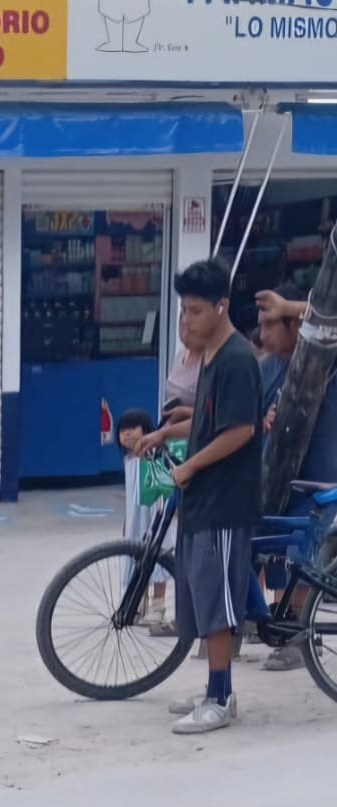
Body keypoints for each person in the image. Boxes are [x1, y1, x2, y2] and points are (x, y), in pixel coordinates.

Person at [139, 258, 262, 735]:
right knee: (201, 597)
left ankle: (220, 697)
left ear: (221, 306)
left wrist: (190, 464)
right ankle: (215, 684)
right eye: (182, 311)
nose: (185, 321)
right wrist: (168, 432)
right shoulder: (211, 355)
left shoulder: (235, 358)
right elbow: (209, 421)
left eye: (193, 311)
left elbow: (241, 431)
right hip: (201, 500)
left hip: (225, 501)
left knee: (218, 604)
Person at [254, 284, 337, 671]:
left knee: (302, 555)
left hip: (319, 477)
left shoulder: (324, 360)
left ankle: (297, 638)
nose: (263, 334)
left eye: (272, 324)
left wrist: (291, 305)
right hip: (275, 477)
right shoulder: (266, 368)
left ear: (296, 325)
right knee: (266, 551)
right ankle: (271, 621)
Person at [116, 409, 172, 627]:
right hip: (134, 522)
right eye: (122, 430)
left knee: (158, 559)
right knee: (133, 559)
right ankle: (138, 603)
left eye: (132, 428)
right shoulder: (128, 460)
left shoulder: (156, 455)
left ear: (147, 430)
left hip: (154, 518)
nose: (127, 434)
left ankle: (158, 606)